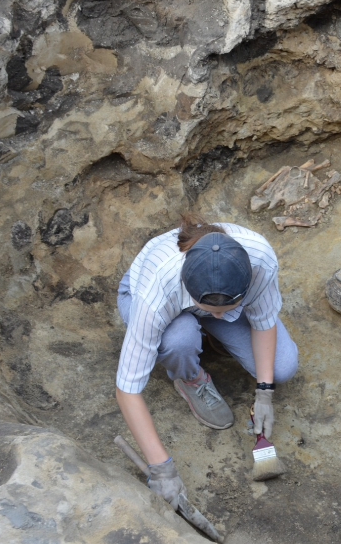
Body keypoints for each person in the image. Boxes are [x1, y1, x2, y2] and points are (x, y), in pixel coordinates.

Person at [115, 214, 299, 507]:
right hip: (148, 298)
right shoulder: (156, 293)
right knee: (180, 340)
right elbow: (127, 390)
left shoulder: (260, 259)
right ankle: (189, 377)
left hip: (206, 299)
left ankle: (212, 335)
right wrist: (161, 469)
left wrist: (265, 390)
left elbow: (263, 322)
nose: (220, 315)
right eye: (211, 311)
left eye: (229, 309)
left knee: (282, 367)